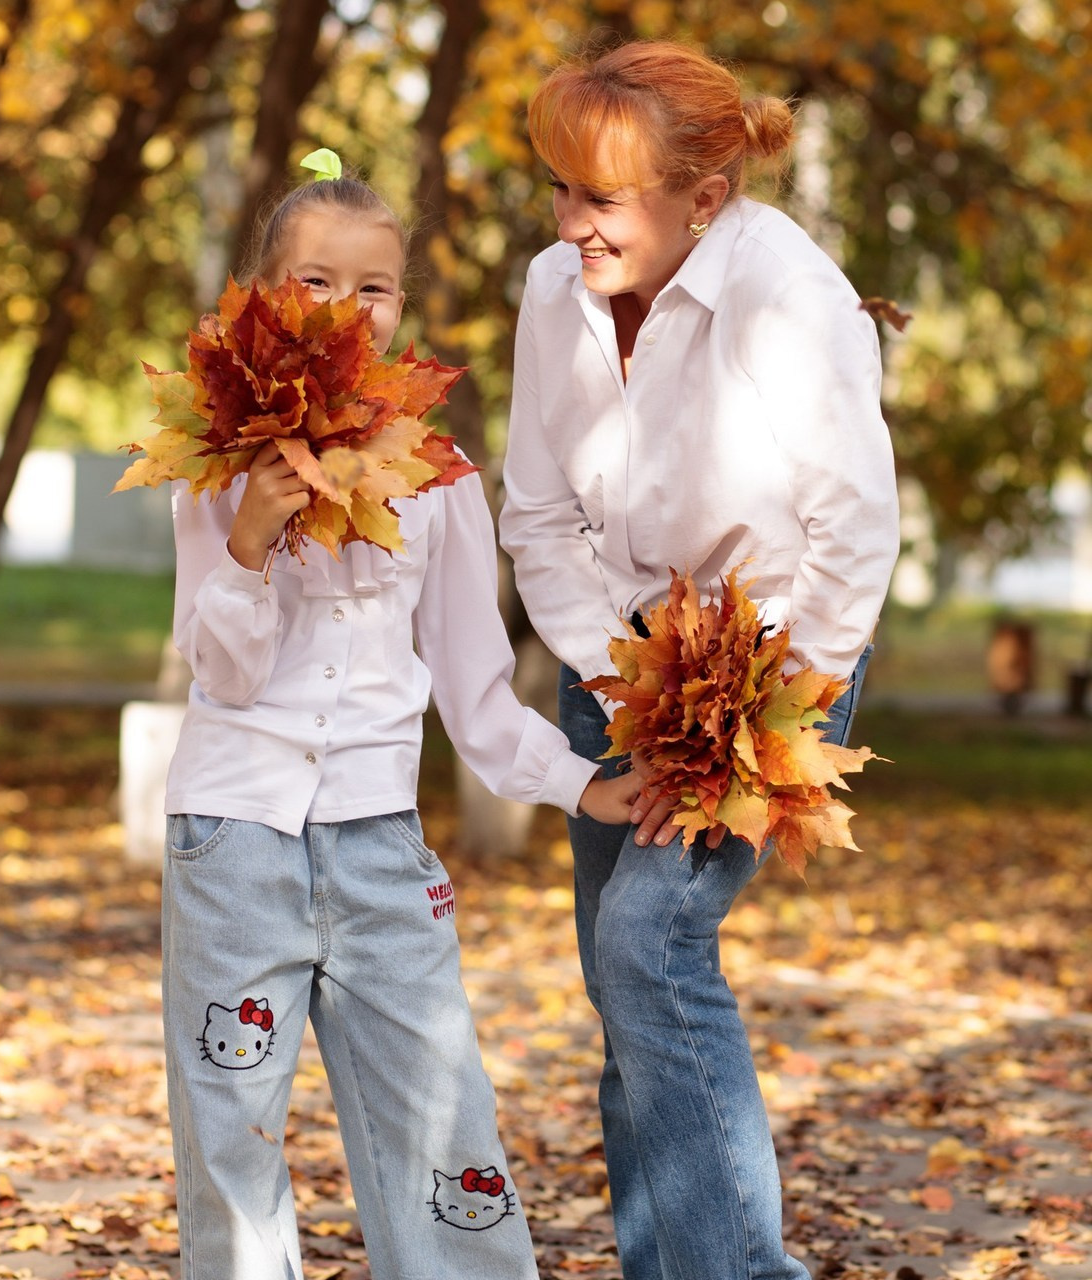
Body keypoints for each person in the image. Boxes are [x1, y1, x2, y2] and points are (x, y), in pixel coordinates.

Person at [158, 156, 647, 1280]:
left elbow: (473, 683)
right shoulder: (216, 463)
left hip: (380, 844)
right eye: (316, 282)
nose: (347, 308)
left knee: (441, 1112)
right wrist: (248, 544)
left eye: (373, 287)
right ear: (265, 297)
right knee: (229, 1131)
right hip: (234, 837)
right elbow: (221, 671)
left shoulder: (439, 475)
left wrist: (580, 783)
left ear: (400, 305)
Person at [498, 40, 901, 1280]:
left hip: (772, 662)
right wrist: (615, 674)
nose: (569, 223)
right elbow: (537, 515)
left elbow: (852, 530)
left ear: (703, 199)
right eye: (558, 188)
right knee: (622, 985)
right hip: (614, 661)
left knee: (646, 947)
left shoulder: (786, 295)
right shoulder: (552, 291)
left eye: (601, 198)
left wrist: (775, 713)